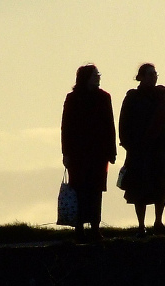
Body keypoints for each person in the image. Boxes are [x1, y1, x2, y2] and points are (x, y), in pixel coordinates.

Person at [119, 63, 165, 237]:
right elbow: (124, 121)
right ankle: (141, 225)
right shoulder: (132, 97)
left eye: (155, 74)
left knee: (161, 186)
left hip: (162, 148)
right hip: (140, 149)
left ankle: (158, 221)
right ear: (141, 77)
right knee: (140, 188)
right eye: (150, 74)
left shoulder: (164, 95)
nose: (154, 77)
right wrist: (127, 143)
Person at [61, 64, 117, 242]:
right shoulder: (72, 99)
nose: (98, 77)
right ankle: (79, 228)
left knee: (96, 189)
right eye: (95, 75)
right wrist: (66, 153)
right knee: (79, 189)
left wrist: (111, 151)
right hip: (78, 153)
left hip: (99, 153)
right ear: (86, 77)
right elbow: (66, 127)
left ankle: (94, 227)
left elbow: (110, 125)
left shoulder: (104, 98)